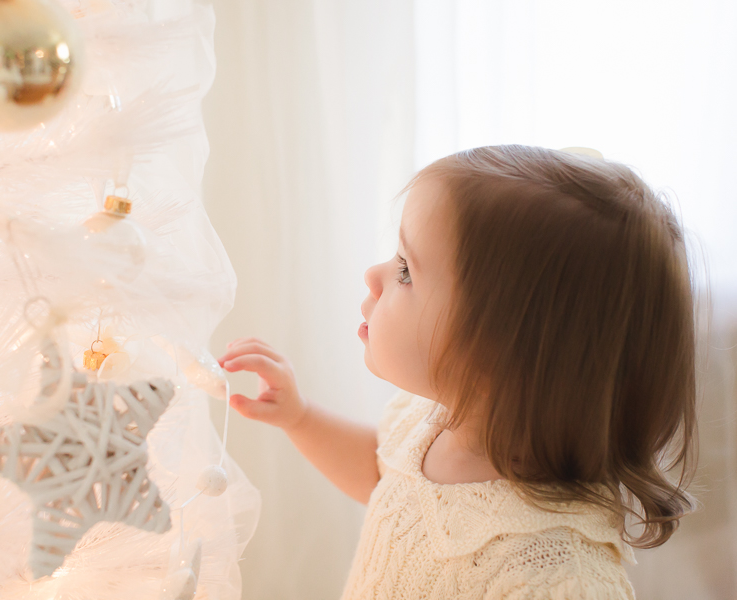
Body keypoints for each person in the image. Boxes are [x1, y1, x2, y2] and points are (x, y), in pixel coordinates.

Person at [217, 145, 697, 599]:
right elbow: (384, 478)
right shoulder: (436, 419)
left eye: (406, 270)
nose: (374, 274)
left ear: (498, 349)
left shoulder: (556, 575)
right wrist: (299, 417)